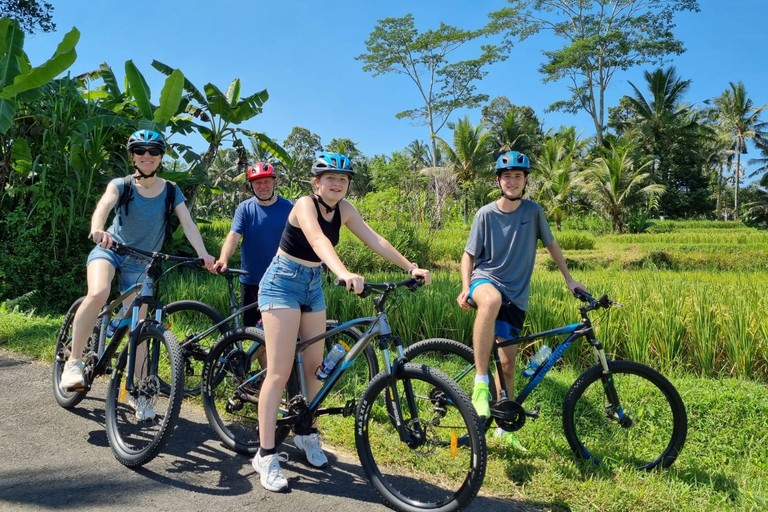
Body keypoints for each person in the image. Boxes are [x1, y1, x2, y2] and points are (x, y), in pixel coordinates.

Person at [252, 152, 432, 492]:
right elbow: (318, 240)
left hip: (312, 285)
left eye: (343, 179)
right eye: (330, 178)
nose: (337, 184)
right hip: (282, 282)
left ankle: (306, 433)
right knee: (279, 372)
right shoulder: (304, 205)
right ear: (316, 182)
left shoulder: (345, 210)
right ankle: (266, 454)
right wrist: (344, 271)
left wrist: (410, 266)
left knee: (315, 367)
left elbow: (375, 238)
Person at [60, 129, 215, 419]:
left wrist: (203, 254)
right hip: (110, 250)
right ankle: (74, 361)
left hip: (142, 263)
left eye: (153, 151)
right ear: (132, 156)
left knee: (140, 327)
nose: (147, 156)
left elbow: (189, 224)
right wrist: (98, 229)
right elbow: (103, 205)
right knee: (98, 293)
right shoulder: (122, 184)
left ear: (161, 157)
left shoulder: (171, 190)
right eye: (140, 151)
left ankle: (139, 391)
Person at [456, 151, 586, 452]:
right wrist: (465, 287)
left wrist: (569, 280)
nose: (512, 181)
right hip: (485, 281)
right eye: (507, 176)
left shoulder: (533, 212)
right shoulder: (485, 214)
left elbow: (551, 244)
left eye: (518, 176)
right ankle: (479, 383)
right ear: (498, 181)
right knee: (490, 302)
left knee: (508, 364)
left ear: (525, 181)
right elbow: (469, 254)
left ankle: (503, 429)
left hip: (516, 295)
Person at [211, 162, 293, 328]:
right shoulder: (245, 208)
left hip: (283, 280)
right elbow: (234, 235)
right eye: (257, 183)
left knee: (282, 330)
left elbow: (307, 236)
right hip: (252, 280)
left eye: (266, 181)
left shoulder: (291, 207)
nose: (262, 186)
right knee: (253, 333)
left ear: (274, 182)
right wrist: (223, 258)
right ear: (251, 186)